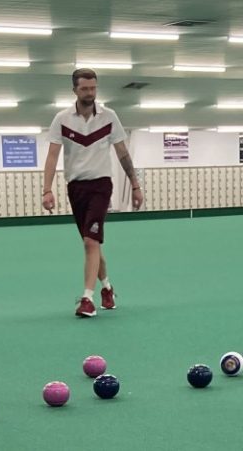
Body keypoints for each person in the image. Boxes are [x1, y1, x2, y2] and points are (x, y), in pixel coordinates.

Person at [42, 68, 144, 318]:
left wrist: (134, 184)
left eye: (93, 88)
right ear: (74, 90)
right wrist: (46, 190)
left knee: (90, 241)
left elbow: (122, 153)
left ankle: (87, 299)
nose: (90, 93)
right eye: (85, 88)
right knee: (92, 244)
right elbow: (53, 156)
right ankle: (107, 288)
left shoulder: (109, 116)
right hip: (76, 187)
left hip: (101, 185)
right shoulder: (62, 119)